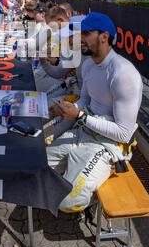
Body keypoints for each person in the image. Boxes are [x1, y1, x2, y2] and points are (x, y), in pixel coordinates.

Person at [46, 12, 143, 213]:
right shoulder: (89, 64)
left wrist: (79, 116)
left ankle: (91, 192)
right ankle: (77, 177)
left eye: (86, 33)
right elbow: (84, 101)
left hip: (108, 145)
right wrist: (65, 109)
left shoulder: (123, 74)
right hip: (83, 131)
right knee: (38, 168)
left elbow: (124, 133)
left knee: (67, 203)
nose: (80, 38)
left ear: (104, 37)